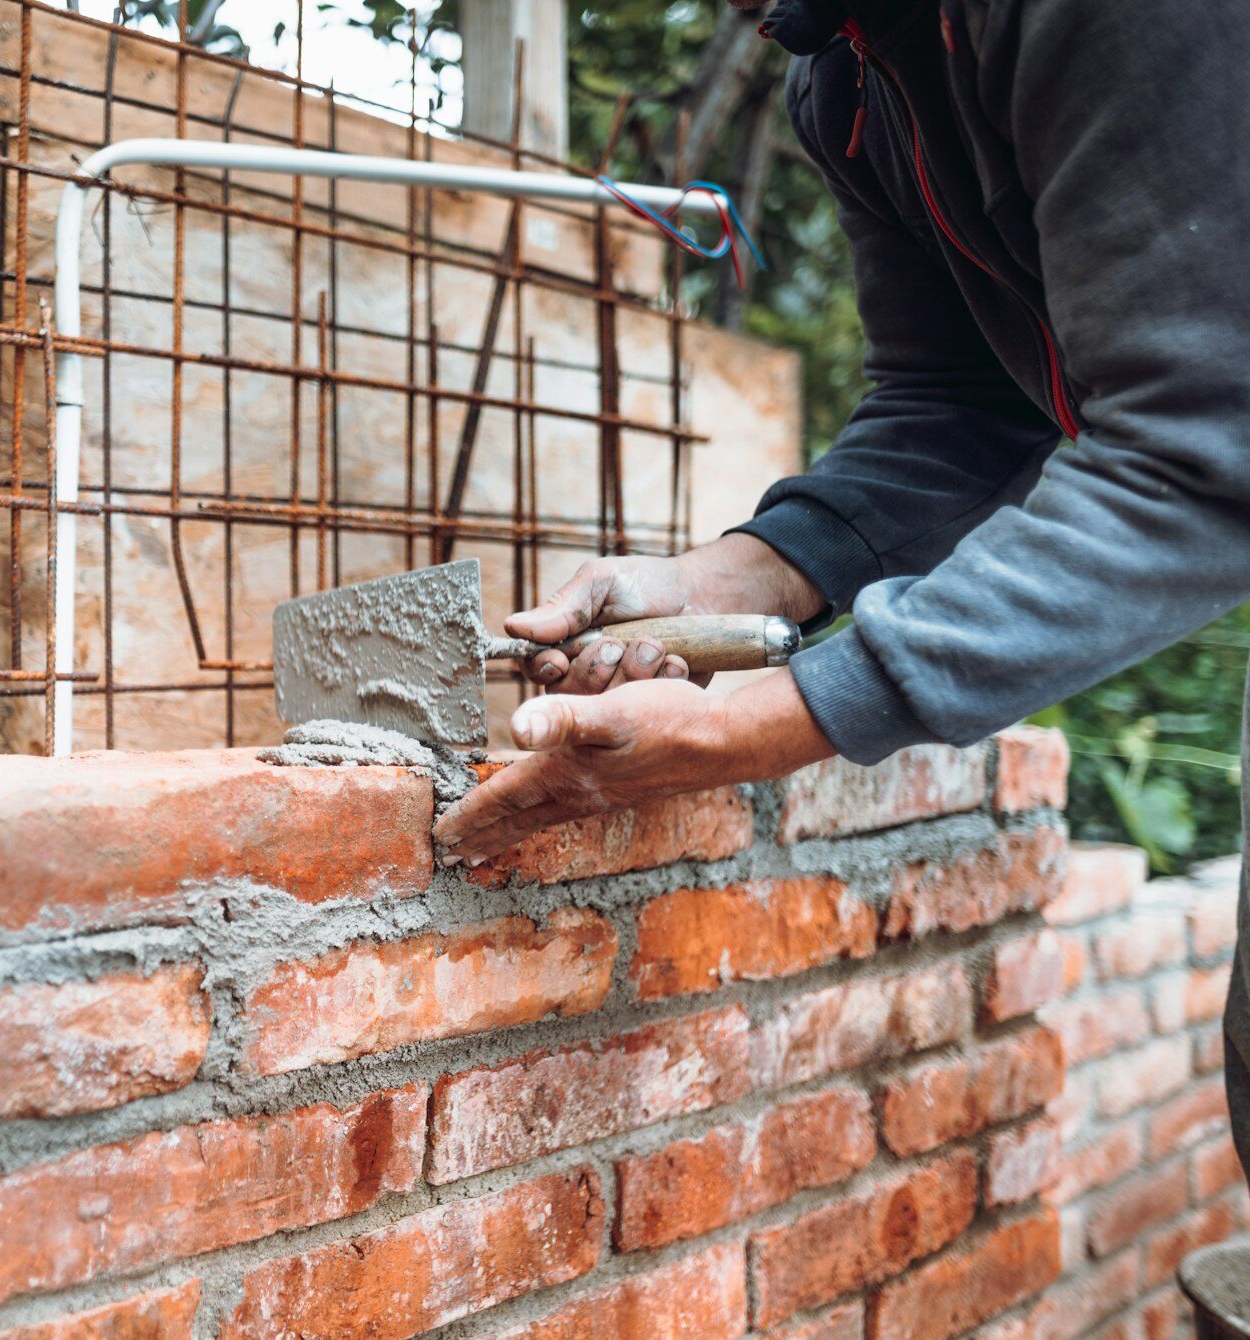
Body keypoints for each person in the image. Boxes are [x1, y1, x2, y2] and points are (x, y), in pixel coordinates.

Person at [430, 0, 1250, 1162]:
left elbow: (1202, 444)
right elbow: (956, 404)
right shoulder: (844, 71)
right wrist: (722, 577)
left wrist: (753, 727)